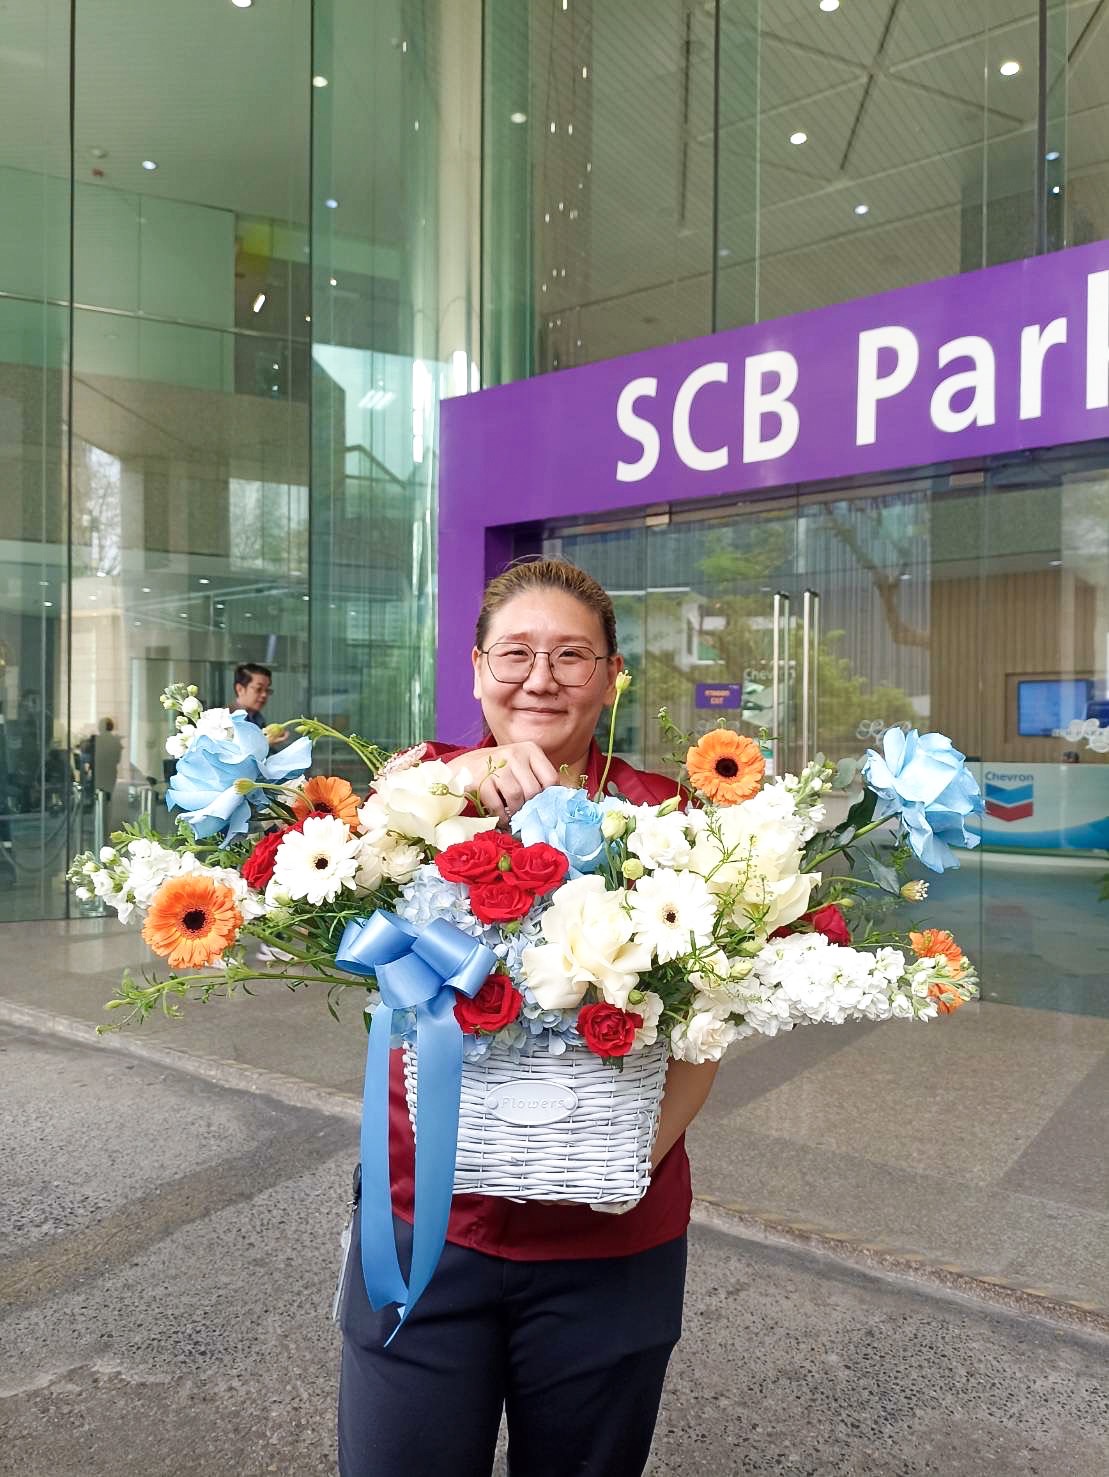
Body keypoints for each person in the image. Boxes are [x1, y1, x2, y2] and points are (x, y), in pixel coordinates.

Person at [337, 559, 720, 1477]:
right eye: (514, 654)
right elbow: (325, 864)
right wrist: (461, 777)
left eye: (571, 656)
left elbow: (712, 1027)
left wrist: (620, 1168)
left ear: (612, 675)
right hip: (420, 1220)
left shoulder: (662, 817)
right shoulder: (414, 795)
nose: (539, 678)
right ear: (474, 669)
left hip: (609, 1242)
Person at [230, 663, 287, 744]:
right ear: (240, 689)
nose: (264, 695)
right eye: (258, 689)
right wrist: (265, 743)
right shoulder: (226, 719)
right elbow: (230, 752)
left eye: (267, 690)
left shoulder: (257, 718)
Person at [92, 717, 123, 835]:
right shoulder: (115, 741)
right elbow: (117, 759)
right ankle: (106, 823)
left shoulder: (97, 740)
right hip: (110, 771)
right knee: (108, 798)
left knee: (98, 797)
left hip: (99, 771)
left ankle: (99, 823)